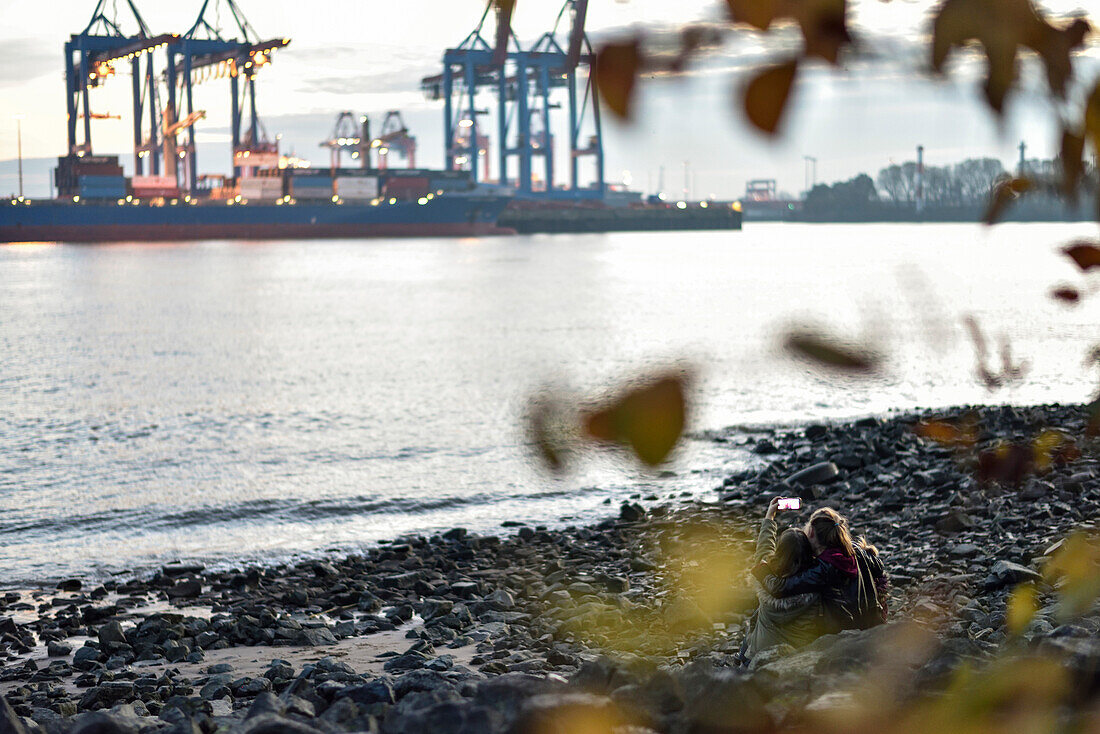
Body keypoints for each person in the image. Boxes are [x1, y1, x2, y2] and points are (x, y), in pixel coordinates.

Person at [753, 506, 888, 634]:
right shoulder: (856, 551)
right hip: (874, 622)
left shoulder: (823, 569)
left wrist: (763, 571)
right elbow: (879, 568)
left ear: (811, 532)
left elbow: (780, 588)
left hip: (847, 631)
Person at [741, 498, 826, 660]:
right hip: (798, 657)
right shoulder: (816, 581)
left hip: (759, 656)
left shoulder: (765, 575)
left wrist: (770, 516)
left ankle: (742, 659)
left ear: (779, 553)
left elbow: (764, 547)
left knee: (753, 623)